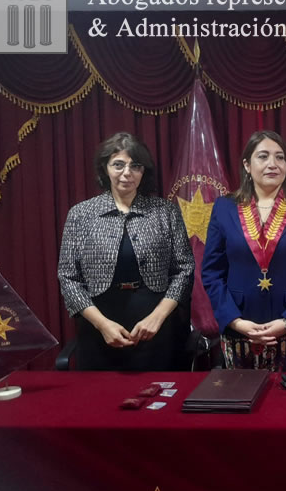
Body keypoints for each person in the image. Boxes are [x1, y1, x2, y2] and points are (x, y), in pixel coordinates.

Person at [58, 132, 194, 370]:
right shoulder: (81, 214)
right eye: (118, 165)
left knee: (160, 399)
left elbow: (184, 269)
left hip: (156, 326)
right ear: (105, 168)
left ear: (144, 171)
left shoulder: (166, 212)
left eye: (135, 166)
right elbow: (68, 277)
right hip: (99, 326)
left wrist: (158, 317)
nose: (127, 173)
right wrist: (102, 325)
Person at [201, 130, 286, 370]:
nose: (273, 164)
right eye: (263, 156)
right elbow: (211, 272)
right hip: (240, 327)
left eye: (280, 157)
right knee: (241, 400)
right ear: (247, 165)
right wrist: (235, 321)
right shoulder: (224, 208)